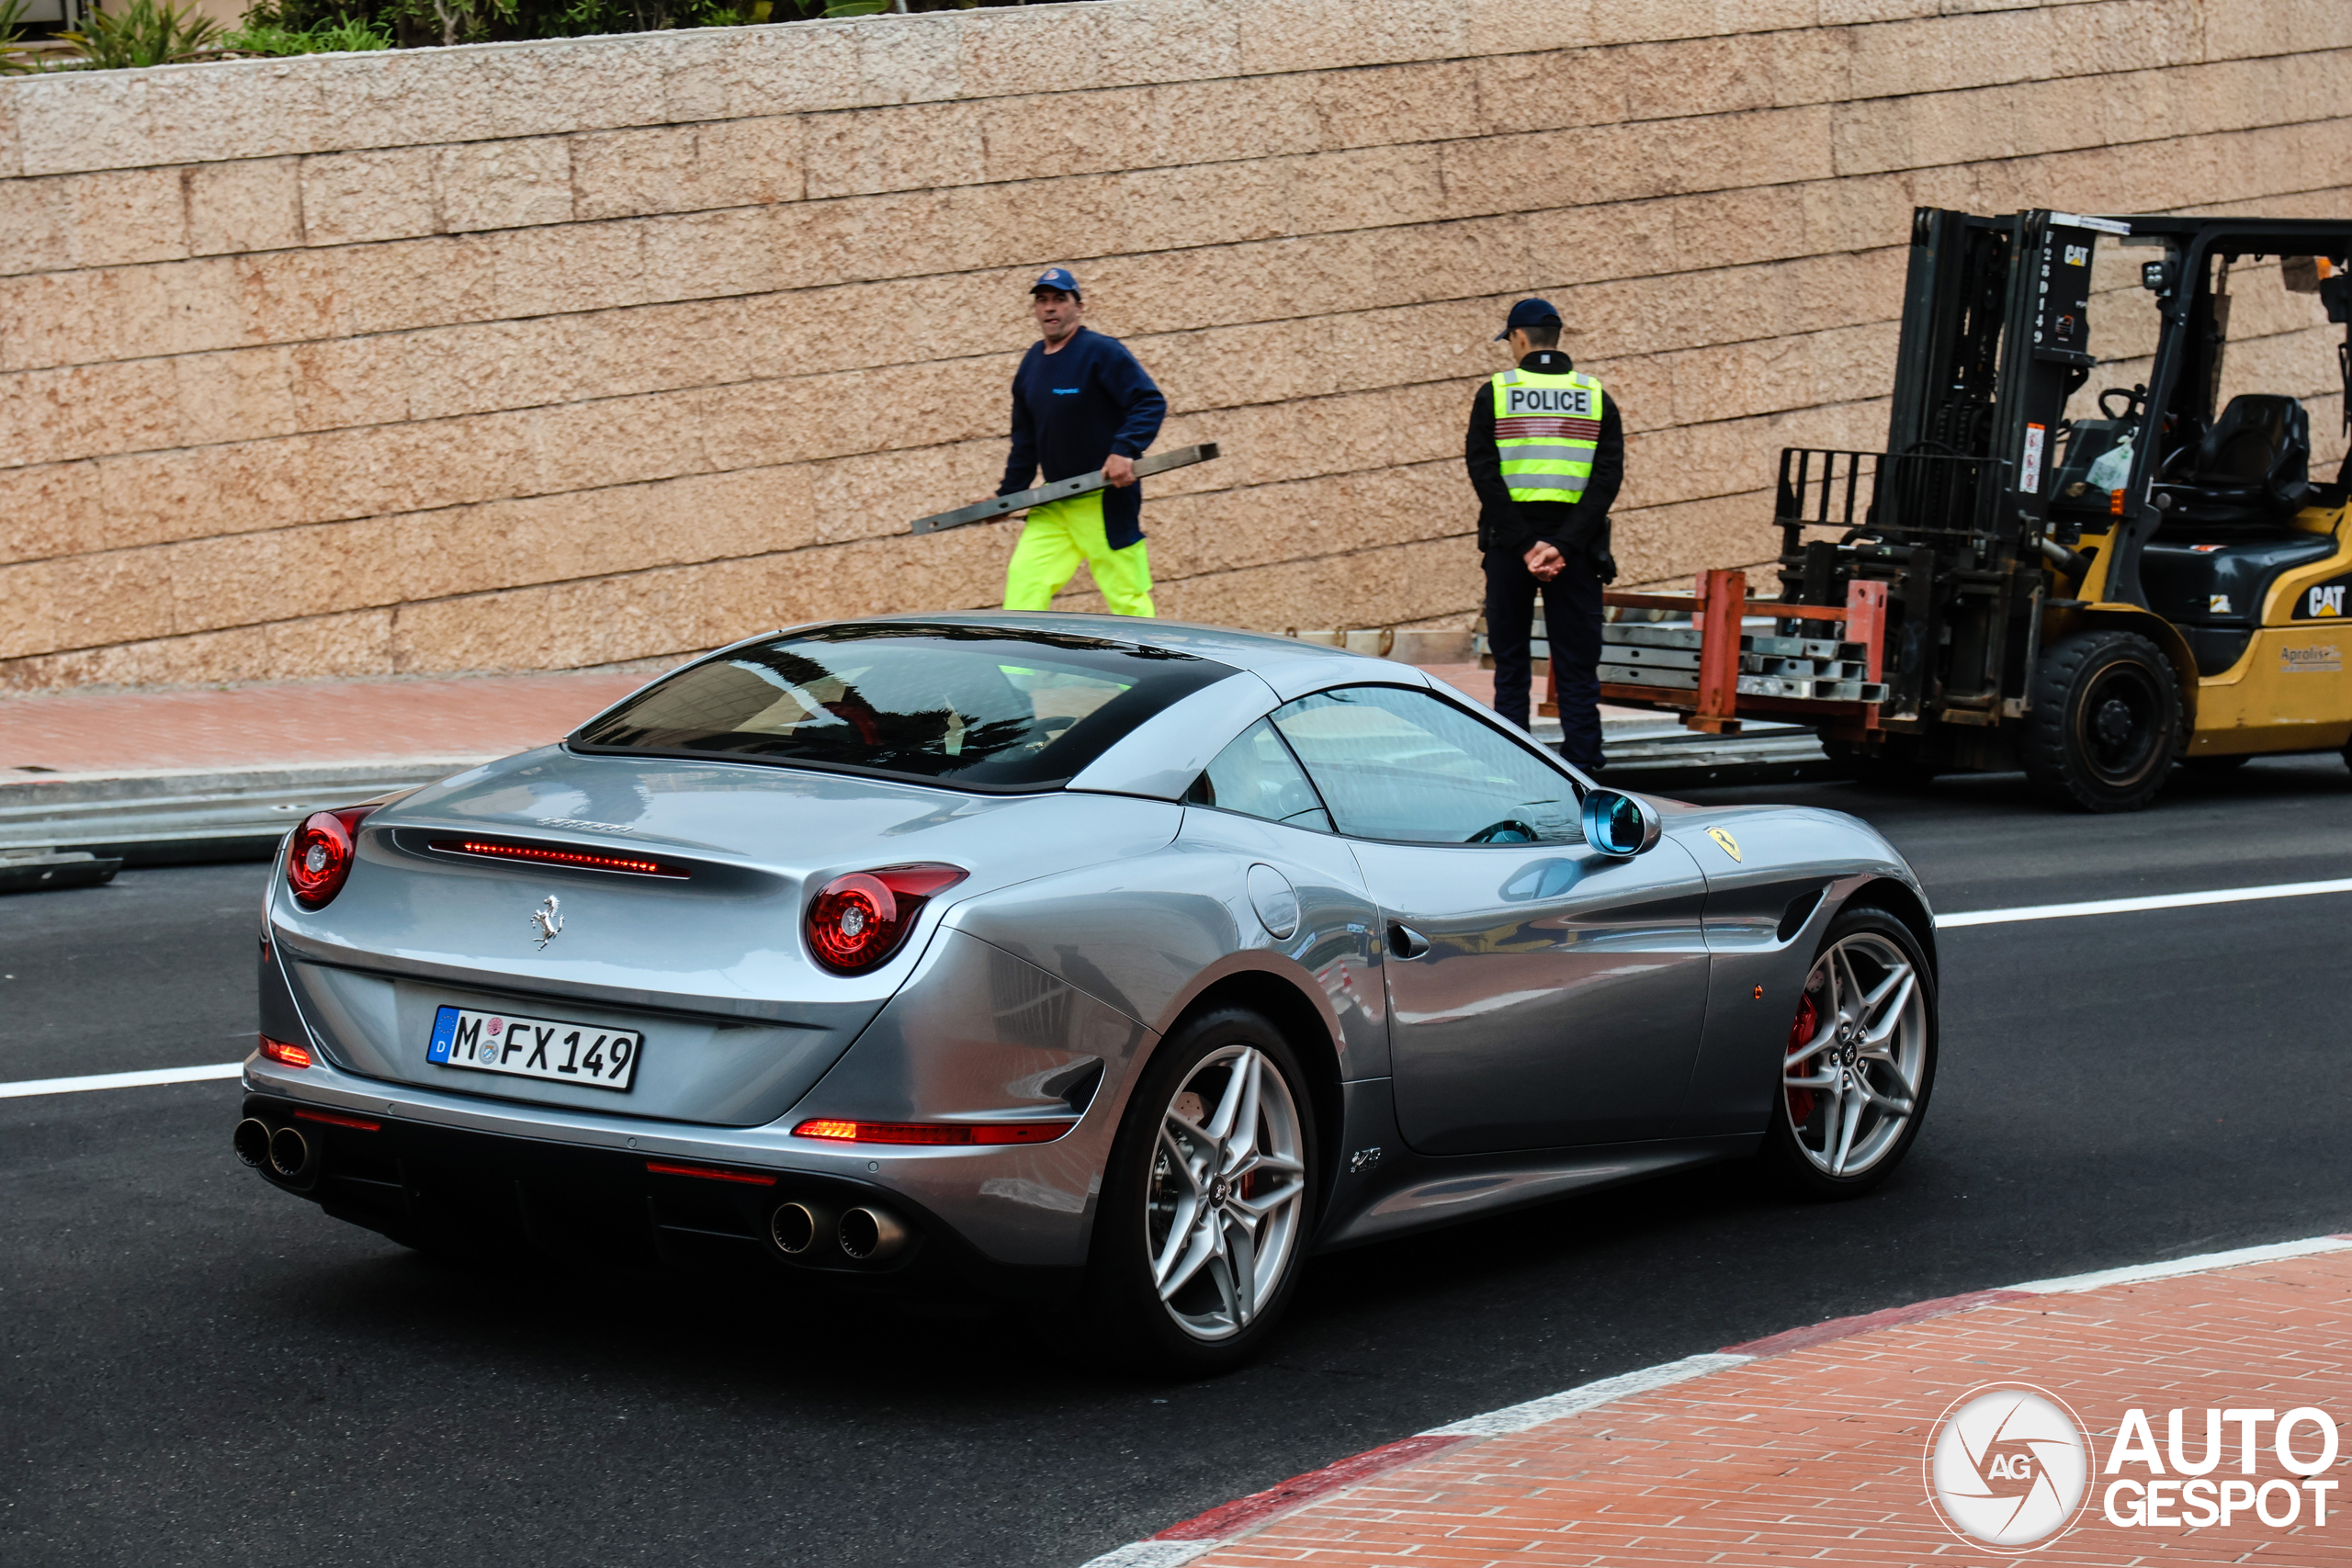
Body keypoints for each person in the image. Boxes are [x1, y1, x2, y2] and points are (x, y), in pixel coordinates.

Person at [1464, 297, 1623, 771]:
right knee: (1577, 668)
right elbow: (1605, 479)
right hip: (1576, 550)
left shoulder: (1496, 392)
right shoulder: (1595, 396)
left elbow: (1484, 472)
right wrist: (1563, 545)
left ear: (1519, 339)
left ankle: (1512, 769)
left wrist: (1525, 544)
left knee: (1511, 665)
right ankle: (1585, 769)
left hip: (1511, 548)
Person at [999, 268, 1168, 617]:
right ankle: (1020, 674)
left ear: (1080, 307)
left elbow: (1149, 402)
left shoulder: (1101, 352)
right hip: (1054, 501)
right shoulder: (1031, 363)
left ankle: (1150, 669)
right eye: (1042, 301)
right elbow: (1025, 440)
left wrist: (1124, 449)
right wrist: (1006, 496)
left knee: (1127, 598)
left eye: (1060, 299)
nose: (1050, 308)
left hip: (1102, 498)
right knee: (1024, 585)